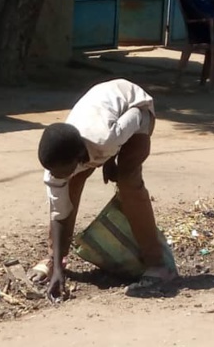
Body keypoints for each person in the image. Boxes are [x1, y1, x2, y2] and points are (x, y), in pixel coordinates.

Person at [37, 79, 175, 300]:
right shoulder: (56, 168)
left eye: (61, 171)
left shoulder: (105, 139)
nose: (56, 176)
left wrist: (114, 158)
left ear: (78, 158)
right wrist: (57, 268)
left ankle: (158, 265)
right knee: (70, 186)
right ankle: (57, 259)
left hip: (136, 109)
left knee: (128, 182)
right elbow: (58, 214)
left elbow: (137, 116)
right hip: (104, 123)